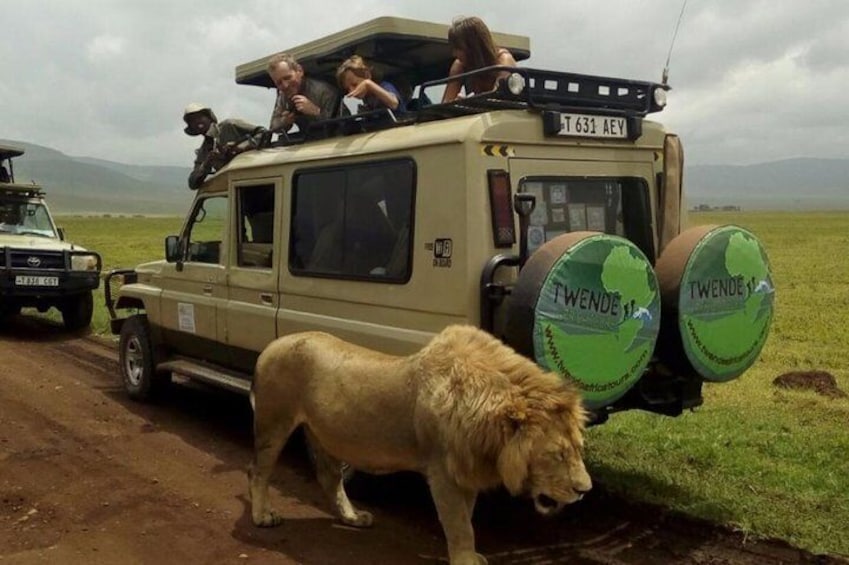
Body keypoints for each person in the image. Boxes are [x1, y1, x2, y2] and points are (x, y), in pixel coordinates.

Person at [183, 103, 267, 190]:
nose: (197, 122)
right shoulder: (204, 151)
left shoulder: (229, 125)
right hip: (239, 187)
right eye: (192, 121)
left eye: (200, 117)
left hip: (261, 177)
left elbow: (264, 133)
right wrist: (207, 163)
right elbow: (193, 183)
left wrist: (242, 147)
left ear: (209, 118)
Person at [441, 16, 518, 103]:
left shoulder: (503, 60)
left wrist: (470, 103)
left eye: (459, 48)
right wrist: (456, 103)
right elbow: (446, 102)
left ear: (473, 47)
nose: (454, 54)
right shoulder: (460, 65)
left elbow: (496, 99)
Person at [267, 53, 341, 134]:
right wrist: (284, 121)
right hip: (306, 142)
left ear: (300, 71)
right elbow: (273, 127)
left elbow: (344, 123)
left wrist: (315, 111)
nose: (285, 85)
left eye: (287, 78)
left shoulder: (324, 91)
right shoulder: (283, 97)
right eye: (279, 83)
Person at [335, 55, 403, 113]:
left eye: (354, 84)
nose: (351, 91)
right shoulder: (367, 98)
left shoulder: (385, 86)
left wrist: (368, 84)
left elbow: (394, 103)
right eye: (348, 89)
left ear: (367, 75)